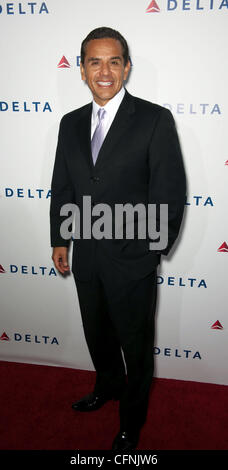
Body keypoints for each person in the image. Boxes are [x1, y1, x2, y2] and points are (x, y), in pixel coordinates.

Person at [50, 26, 186, 450]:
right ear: (82, 69)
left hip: (133, 261)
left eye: (113, 61)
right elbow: (63, 187)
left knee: (136, 345)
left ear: (126, 68)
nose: (104, 71)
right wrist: (59, 238)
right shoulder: (70, 123)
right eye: (95, 61)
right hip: (87, 258)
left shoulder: (153, 119)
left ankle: (132, 419)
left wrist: (152, 250)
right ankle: (106, 386)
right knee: (98, 334)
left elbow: (169, 190)